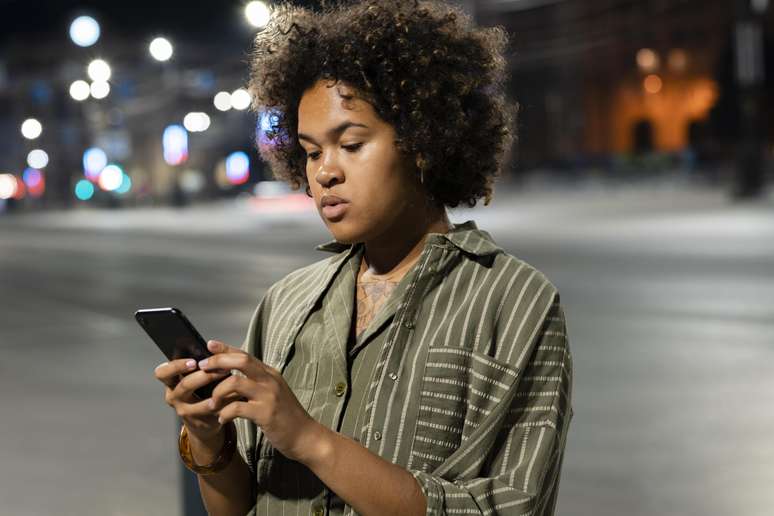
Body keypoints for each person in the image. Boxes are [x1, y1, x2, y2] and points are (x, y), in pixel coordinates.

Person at [153, 1, 573, 514]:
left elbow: (512, 507)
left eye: (350, 144)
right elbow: (238, 509)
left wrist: (310, 439)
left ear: (423, 140)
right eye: (310, 152)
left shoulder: (515, 302)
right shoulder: (285, 303)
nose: (325, 172)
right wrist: (208, 439)